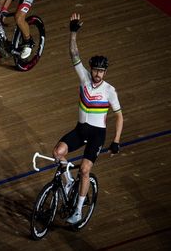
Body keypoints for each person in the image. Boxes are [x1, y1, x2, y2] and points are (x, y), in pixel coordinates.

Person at [53, 13, 124, 224]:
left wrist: (116, 141)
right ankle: (66, 183)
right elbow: (74, 54)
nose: (98, 74)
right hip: (80, 130)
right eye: (96, 70)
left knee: (84, 170)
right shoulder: (84, 78)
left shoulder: (110, 91)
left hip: (96, 136)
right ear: (91, 69)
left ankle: (78, 210)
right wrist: (73, 32)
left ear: (105, 72)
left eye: (102, 71)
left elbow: (119, 116)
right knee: (58, 152)